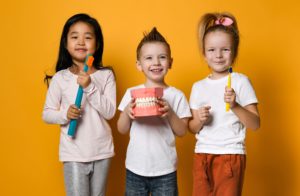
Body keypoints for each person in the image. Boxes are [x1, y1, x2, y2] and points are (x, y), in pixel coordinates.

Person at [42, 13, 116, 196]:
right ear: (65, 43)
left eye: (88, 37)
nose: (81, 42)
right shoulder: (61, 78)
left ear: (97, 44)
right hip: (73, 152)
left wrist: (90, 86)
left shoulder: (106, 75)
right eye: (74, 37)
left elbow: (110, 112)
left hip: (102, 152)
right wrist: (65, 115)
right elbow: (47, 114)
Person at [189, 12, 260, 196]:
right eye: (211, 50)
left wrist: (235, 105)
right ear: (204, 54)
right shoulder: (198, 87)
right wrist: (201, 120)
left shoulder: (240, 82)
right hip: (202, 154)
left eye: (225, 49)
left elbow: (255, 124)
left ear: (234, 52)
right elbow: (192, 127)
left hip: (230, 154)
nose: (218, 55)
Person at [117, 27, 191, 196]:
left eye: (162, 57)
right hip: (135, 168)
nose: (156, 62)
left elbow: (182, 131)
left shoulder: (176, 95)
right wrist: (127, 112)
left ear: (170, 62)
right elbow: (121, 129)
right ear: (139, 65)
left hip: (165, 169)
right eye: (149, 58)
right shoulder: (131, 93)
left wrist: (170, 113)